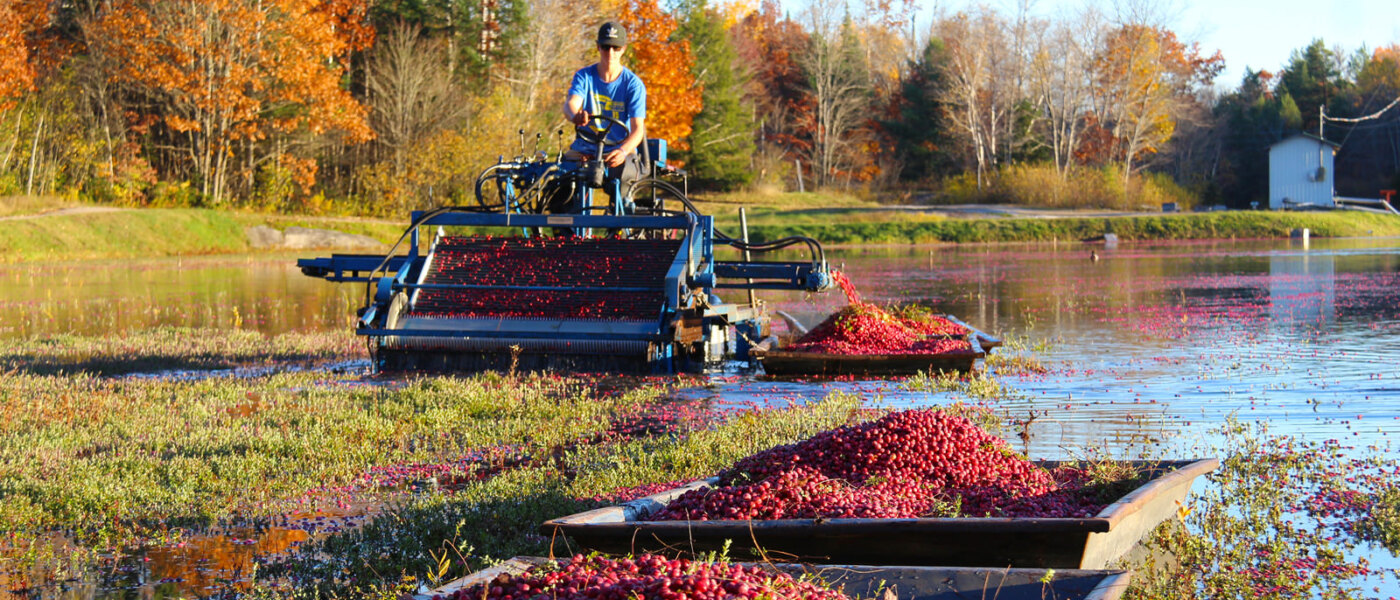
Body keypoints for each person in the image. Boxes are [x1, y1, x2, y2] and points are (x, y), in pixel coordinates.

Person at [561, 21, 647, 193]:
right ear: (598, 47)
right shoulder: (584, 76)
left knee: (623, 179)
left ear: (623, 49)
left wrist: (622, 152)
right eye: (606, 47)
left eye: (615, 48)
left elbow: (638, 130)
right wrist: (575, 115)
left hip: (618, 150)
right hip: (585, 149)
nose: (610, 53)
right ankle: (570, 215)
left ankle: (618, 216)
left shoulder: (633, 85)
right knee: (562, 177)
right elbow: (571, 104)